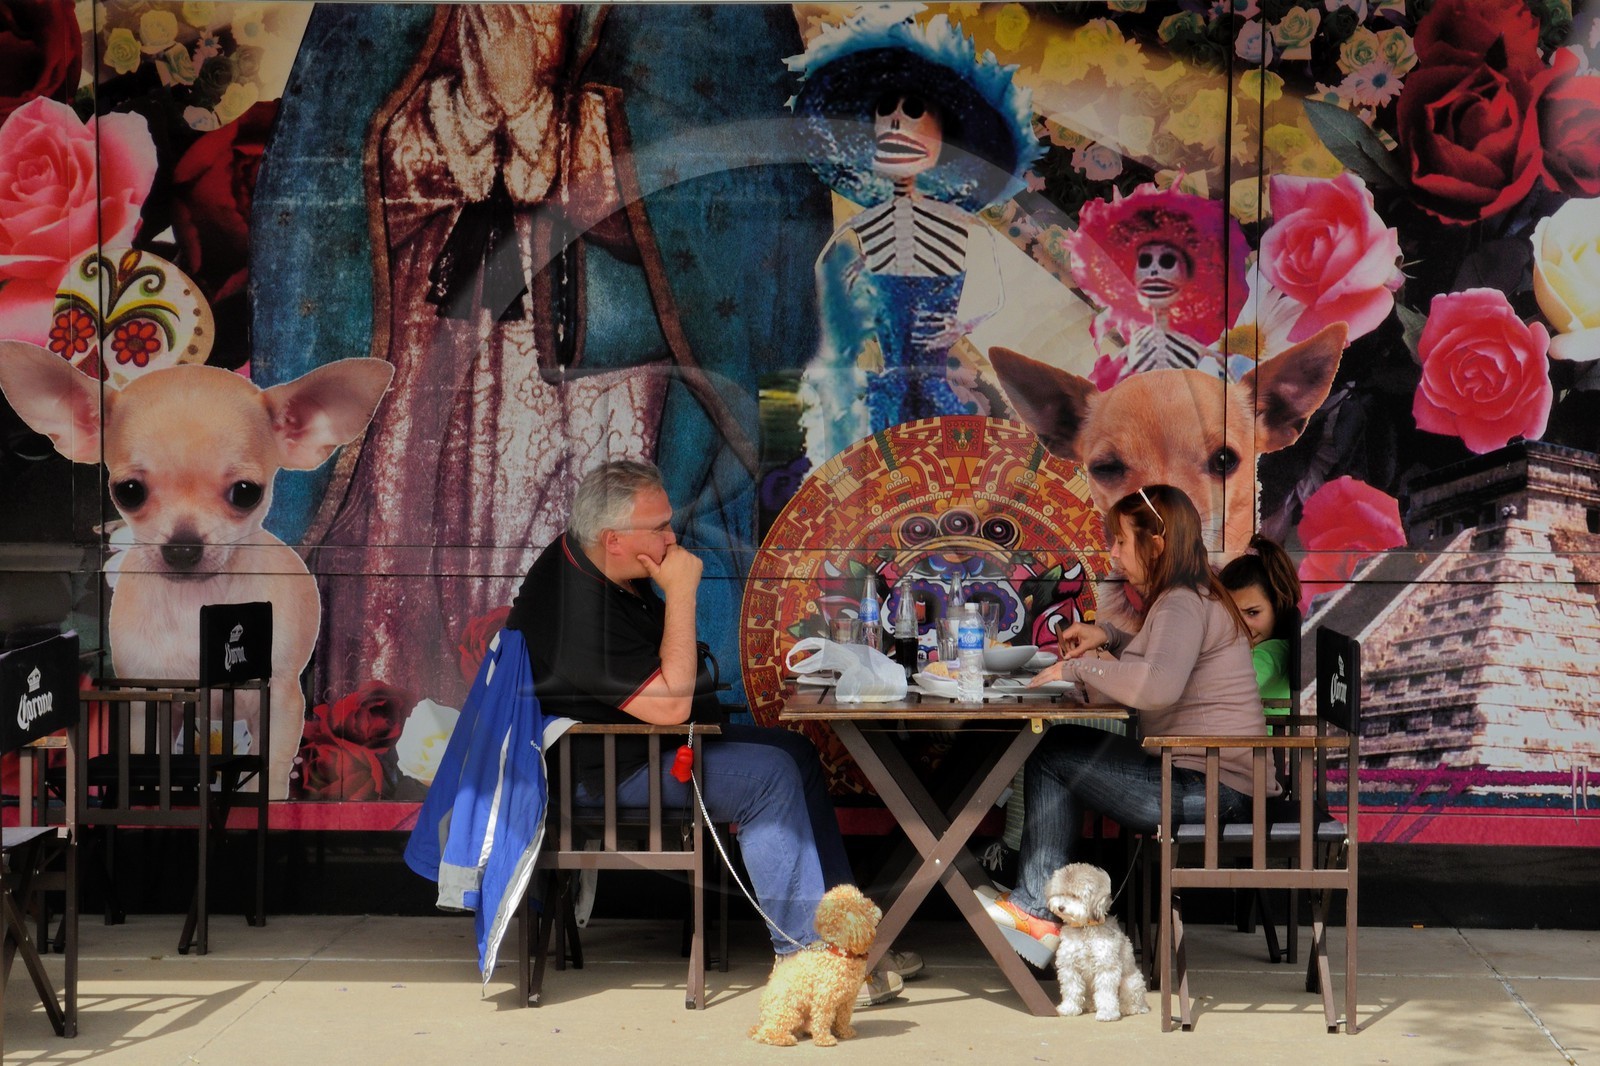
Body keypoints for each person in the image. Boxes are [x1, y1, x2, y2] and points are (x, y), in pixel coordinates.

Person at [504, 459, 918, 1004]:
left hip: (644, 747)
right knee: (768, 777)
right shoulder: (574, 610)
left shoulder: (600, 560)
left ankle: (850, 943)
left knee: (794, 753)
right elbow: (672, 705)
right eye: (658, 527)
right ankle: (810, 962)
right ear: (613, 539)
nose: (672, 538)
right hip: (607, 772)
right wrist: (681, 592)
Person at [979, 484, 1275, 966]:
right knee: (1059, 747)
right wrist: (1110, 636)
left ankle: (1035, 911)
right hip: (1217, 784)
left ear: (1155, 544)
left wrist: (1076, 668)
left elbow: (1156, 685)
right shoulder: (1188, 596)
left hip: (1215, 790)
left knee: (1054, 754)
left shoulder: (1181, 600)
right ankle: (1037, 911)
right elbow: (1161, 657)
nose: (1113, 553)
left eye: (1120, 540)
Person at [1219, 533, 1303, 705]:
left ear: (1277, 607)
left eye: (1252, 613)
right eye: (1231, 614)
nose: (1241, 625)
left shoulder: (1269, 655)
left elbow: (1225, 689)